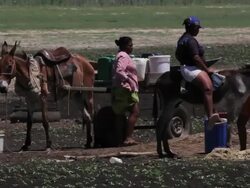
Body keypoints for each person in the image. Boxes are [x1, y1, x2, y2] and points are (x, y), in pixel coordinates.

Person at [175, 16, 222, 127]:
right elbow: (196, 58)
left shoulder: (184, 38)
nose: (198, 30)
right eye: (197, 28)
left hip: (190, 67)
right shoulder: (190, 40)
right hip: (191, 68)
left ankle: (213, 111)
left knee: (211, 84)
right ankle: (210, 116)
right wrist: (207, 70)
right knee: (207, 88)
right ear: (192, 27)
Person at [112, 36, 140, 146]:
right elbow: (120, 70)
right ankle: (128, 138)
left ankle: (119, 139)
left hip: (119, 88)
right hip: (126, 89)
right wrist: (128, 80)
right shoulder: (123, 56)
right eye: (130, 45)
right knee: (135, 111)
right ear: (124, 46)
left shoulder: (120, 55)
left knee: (119, 114)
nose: (132, 47)